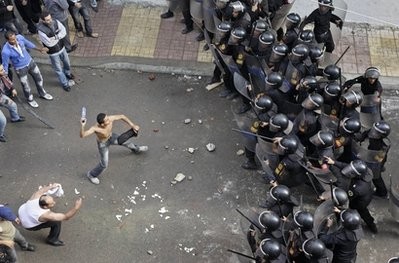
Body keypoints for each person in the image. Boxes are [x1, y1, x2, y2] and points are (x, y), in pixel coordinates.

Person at [80, 113, 149, 185]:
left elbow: (122, 116)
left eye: (107, 118)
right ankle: (91, 175)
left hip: (111, 137)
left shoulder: (110, 119)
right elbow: (82, 135)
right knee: (104, 164)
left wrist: (132, 125)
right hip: (103, 144)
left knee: (126, 142)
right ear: (102, 124)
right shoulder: (95, 128)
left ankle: (136, 149)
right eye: (106, 120)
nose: (109, 120)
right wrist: (82, 126)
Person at [18, 183, 83, 246]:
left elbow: (42, 190)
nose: (54, 203)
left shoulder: (37, 195)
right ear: (45, 207)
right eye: (52, 203)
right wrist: (76, 207)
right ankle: (52, 239)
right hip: (28, 225)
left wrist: (51, 186)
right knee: (56, 222)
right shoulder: (46, 215)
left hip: (22, 211)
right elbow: (66, 217)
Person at [1, 31, 53, 108]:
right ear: (7, 40)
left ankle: (42, 93)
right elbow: (5, 65)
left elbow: (28, 43)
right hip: (20, 69)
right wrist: (5, 77)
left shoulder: (20, 38)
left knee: (39, 79)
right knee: (26, 86)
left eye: (15, 38)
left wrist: (39, 49)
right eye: (12, 40)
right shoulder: (5, 51)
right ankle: (30, 99)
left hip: (30, 62)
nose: (15, 40)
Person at [37, 11, 76, 92]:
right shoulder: (41, 30)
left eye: (50, 18)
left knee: (67, 63)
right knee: (58, 69)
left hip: (62, 48)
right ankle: (65, 83)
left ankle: (67, 73)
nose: (50, 21)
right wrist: (59, 37)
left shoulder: (55, 21)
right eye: (47, 20)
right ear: (43, 21)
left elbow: (64, 31)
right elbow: (49, 43)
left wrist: (55, 37)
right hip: (53, 52)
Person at [0, 64, 25, 142]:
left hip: (0, 96)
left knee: (13, 105)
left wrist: (12, 88)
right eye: (1, 70)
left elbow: (6, 79)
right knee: (2, 121)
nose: (3, 71)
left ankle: (15, 118)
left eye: (2, 69)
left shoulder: (2, 74)